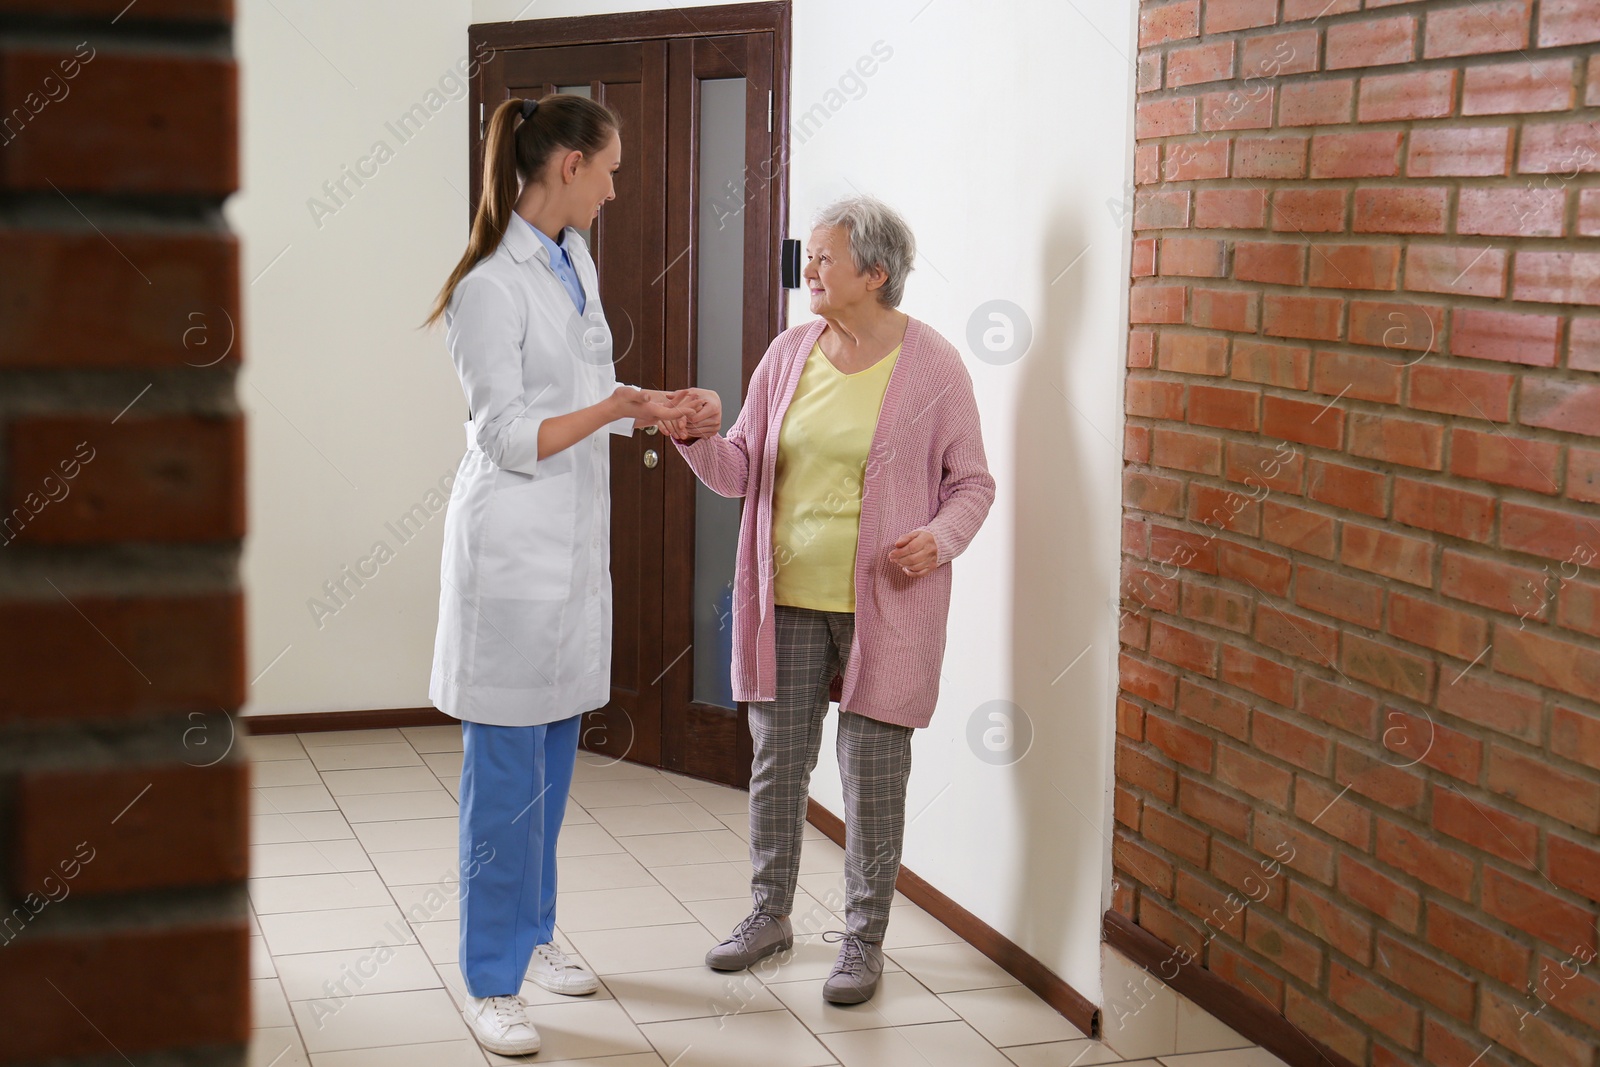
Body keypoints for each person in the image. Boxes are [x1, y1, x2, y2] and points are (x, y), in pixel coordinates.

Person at [663, 195, 995, 1005]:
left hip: (889, 608)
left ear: (874, 273)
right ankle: (768, 914)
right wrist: (692, 436)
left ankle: (862, 941)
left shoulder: (935, 366)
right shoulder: (788, 353)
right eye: (807, 257)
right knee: (779, 766)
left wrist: (939, 538)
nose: (807, 270)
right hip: (788, 604)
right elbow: (741, 470)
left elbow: (972, 484)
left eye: (823, 258)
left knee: (873, 777)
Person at [422, 93, 695, 1056]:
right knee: (504, 778)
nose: (616, 190)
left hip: (574, 559)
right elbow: (501, 435)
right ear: (569, 166)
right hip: (510, 558)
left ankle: (532, 939)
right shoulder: (488, 288)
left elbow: (583, 399)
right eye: (611, 170)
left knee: (548, 767)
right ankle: (490, 982)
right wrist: (616, 402)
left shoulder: (574, 262)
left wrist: (653, 408)